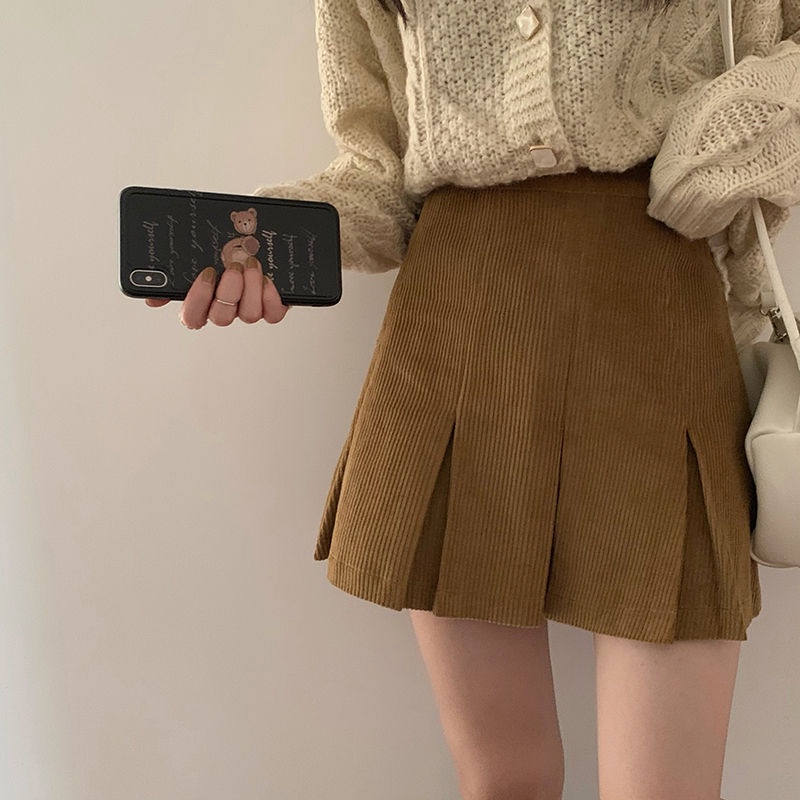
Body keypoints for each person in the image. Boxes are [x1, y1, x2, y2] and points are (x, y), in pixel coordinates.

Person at [147, 1, 800, 797]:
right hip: (456, 328)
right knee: (504, 783)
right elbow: (379, 179)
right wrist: (262, 245)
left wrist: (725, 139)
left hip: (658, 319)